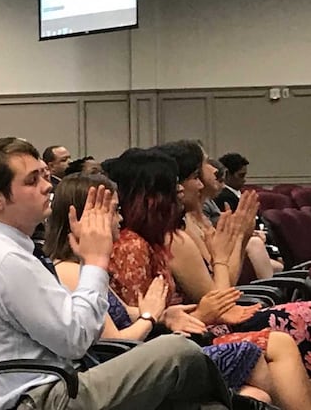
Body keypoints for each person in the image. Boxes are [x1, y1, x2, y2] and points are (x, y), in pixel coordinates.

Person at [0, 137, 233, 410]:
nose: (48, 186)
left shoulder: (10, 253)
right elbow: (76, 339)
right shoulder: (3, 261)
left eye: (43, 176)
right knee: (178, 352)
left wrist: (155, 313)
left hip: (56, 385)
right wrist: (95, 261)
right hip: (41, 398)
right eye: (32, 181)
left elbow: (67, 321)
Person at [49, 173, 311, 410]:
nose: (120, 218)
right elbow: (115, 342)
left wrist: (164, 314)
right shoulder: (76, 270)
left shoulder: (88, 265)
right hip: (138, 364)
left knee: (260, 383)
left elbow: (130, 313)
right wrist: (151, 317)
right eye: (114, 211)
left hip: (160, 344)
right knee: (268, 350)